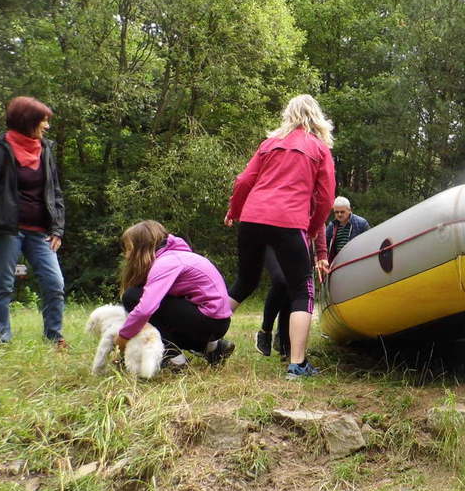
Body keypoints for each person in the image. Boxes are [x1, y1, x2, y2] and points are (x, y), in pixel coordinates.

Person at [226, 94, 335, 379]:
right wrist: (312, 229)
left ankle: (206, 339)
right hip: (289, 221)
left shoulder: (269, 143)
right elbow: (325, 198)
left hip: (252, 217)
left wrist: (235, 211)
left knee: (244, 283)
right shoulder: (319, 148)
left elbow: (244, 181)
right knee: (302, 290)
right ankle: (297, 365)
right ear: (317, 117)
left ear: (288, 115)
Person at [0, 97, 67, 349]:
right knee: (3, 284)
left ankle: (54, 337)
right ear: (27, 121)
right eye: (43, 121)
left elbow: (55, 192)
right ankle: (2, 341)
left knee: (55, 283)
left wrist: (57, 229)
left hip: (40, 231)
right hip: (6, 230)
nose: (47, 126)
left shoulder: (45, 150)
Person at [117, 220, 234, 366]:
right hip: (218, 322)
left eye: (129, 249)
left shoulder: (165, 263)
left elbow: (145, 309)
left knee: (132, 297)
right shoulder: (177, 256)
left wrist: (123, 337)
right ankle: (214, 348)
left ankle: (174, 359)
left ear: (142, 247)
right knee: (150, 303)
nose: (126, 255)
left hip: (208, 322)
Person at [324, 197, 371, 264]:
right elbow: (325, 244)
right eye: (336, 212)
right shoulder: (332, 226)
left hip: (356, 261)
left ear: (349, 210)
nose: (339, 214)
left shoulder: (361, 223)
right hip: (338, 263)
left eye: (342, 212)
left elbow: (369, 243)